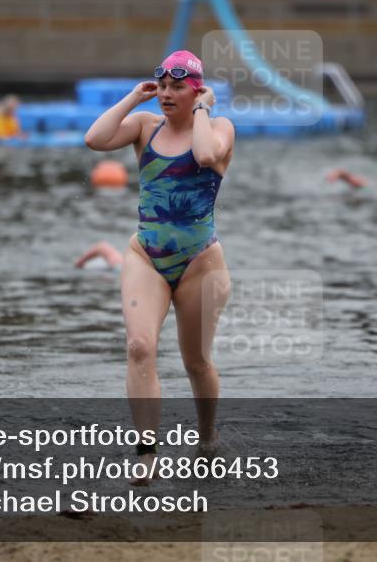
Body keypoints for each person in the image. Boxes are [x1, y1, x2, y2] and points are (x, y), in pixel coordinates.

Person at [84, 50, 234, 485]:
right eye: (162, 87)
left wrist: (203, 109)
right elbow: (95, 139)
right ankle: (147, 453)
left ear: (196, 90)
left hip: (201, 263)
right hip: (145, 256)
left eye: (177, 88)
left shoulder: (220, 128)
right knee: (139, 347)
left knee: (197, 362)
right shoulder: (145, 126)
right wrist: (134, 97)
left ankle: (206, 439)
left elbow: (205, 156)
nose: (167, 95)